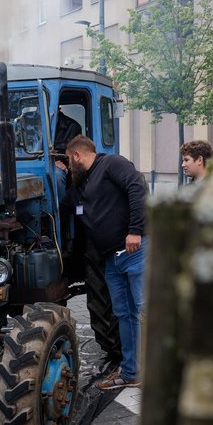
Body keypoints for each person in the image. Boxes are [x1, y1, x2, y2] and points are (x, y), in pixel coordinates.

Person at [64, 135, 148, 390]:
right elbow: (67, 202)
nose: (68, 166)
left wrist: (135, 229)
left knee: (145, 309)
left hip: (135, 250)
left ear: (77, 155)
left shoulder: (112, 163)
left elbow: (137, 188)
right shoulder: (84, 182)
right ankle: (132, 371)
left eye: (68, 161)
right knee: (124, 314)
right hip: (112, 258)